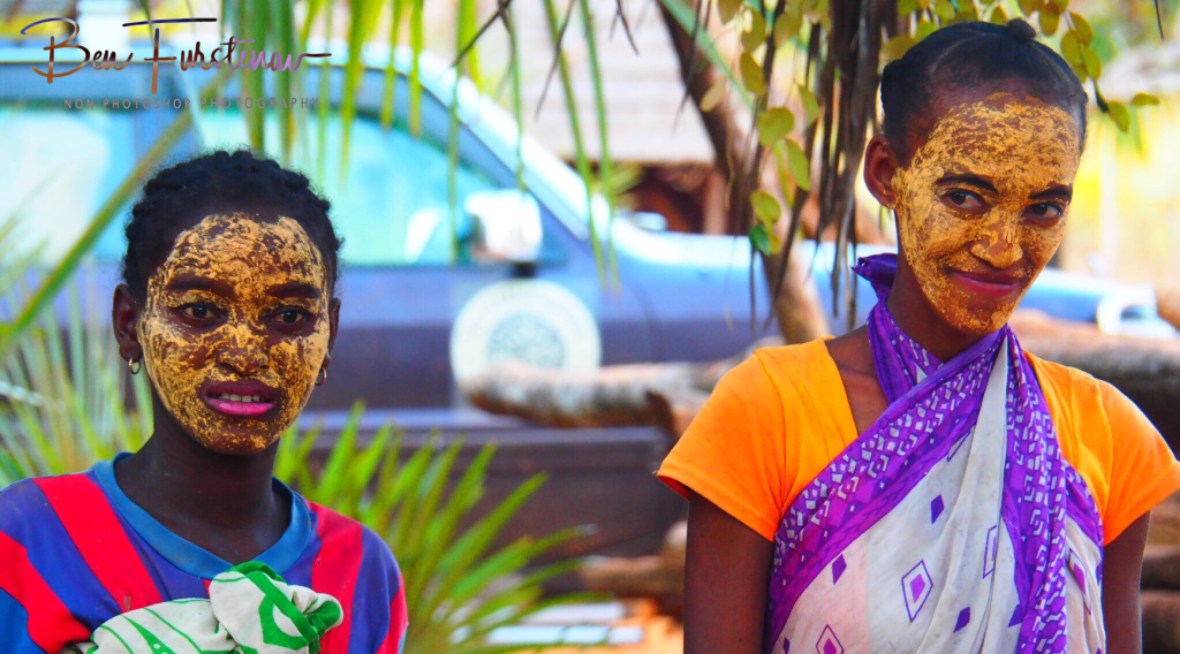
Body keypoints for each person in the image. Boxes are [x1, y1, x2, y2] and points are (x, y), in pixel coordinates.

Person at [658, 19, 1180, 654]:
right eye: (965, 196)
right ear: (886, 174)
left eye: (1043, 208)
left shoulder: (1111, 437)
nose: (1004, 247)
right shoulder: (766, 413)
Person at [0, 151, 408, 652]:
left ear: (329, 334)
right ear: (129, 324)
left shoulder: (359, 574)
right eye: (199, 310)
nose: (245, 353)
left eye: (288, 316)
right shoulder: (29, 544)